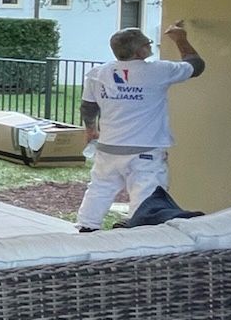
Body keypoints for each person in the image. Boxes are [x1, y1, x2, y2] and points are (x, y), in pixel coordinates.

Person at [77, 20, 205, 232]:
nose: (150, 46)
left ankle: (86, 228)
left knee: (100, 188)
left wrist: (90, 129)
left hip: (109, 148)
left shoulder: (98, 74)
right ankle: (138, 234)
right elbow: (196, 66)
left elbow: (88, 106)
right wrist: (180, 39)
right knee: (147, 196)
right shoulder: (158, 71)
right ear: (139, 51)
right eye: (148, 43)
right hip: (145, 151)